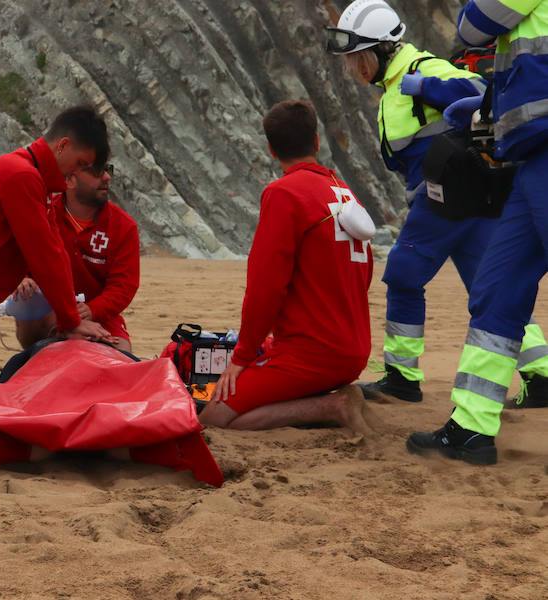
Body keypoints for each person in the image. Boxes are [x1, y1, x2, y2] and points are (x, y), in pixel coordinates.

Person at [325, 0, 548, 404]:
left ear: (381, 50)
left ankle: (401, 376)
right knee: (497, 287)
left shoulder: (418, 69)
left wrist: (428, 88)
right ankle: (541, 373)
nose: (353, 67)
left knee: (403, 274)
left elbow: (478, 91)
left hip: (444, 198)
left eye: (358, 57)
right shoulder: (395, 84)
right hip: (462, 202)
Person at [407, 0, 548, 464]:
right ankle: (471, 427)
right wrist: (490, 107)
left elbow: (473, 26)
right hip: (532, 160)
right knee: (497, 289)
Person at [198, 100, 377, 433]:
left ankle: (332, 405)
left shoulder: (283, 193)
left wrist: (242, 357)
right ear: (317, 141)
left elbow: (266, 287)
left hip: (312, 354)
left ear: (270, 149)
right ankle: (329, 398)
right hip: (355, 348)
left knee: (215, 418)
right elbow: (364, 273)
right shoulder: (342, 190)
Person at [0, 105, 113, 382]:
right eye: (80, 164)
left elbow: (55, 253)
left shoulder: (34, 177)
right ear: (63, 146)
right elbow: (44, 257)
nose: (77, 175)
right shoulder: (22, 176)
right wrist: (71, 322)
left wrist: (70, 318)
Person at [13, 161, 140, 353]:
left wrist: (91, 310)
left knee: (121, 357)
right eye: (97, 171)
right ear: (69, 179)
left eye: (108, 169)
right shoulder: (42, 215)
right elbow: (18, 259)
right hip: (50, 313)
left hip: (99, 316)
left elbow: (123, 287)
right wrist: (22, 279)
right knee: (27, 299)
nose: (107, 177)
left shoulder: (124, 226)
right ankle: (35, 352)